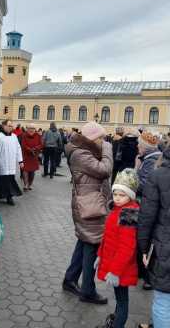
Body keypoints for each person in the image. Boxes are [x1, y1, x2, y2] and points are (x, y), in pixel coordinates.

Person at [63, 121, 113, 305]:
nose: (104, 141)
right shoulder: (80, 154)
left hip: (90, 203)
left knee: (84, 241)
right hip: (89, 205)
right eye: (102, 138)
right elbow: (105, 170)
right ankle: (88, 291)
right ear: (93, 138)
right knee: (92, 244)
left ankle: (70, 280)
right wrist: (108, 149)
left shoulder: (84, 151)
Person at [95, 169, 140, 328]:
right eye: (115, 194)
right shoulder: (116, 210)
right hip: (114, 265)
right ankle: (113, 323)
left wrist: (115, 271)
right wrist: (100, 255)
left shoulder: (128, 214)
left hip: (121, 269)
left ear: (130, 196)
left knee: (122, 302)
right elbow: (107, 237)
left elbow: (127, 248)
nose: (117, 198)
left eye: (122, 195)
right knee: (119, 299)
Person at [138, 146, 170, 328]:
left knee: (163, 302)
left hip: (164, 246)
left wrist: (143, 248)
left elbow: (146, 217)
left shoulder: (158, 175)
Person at [136, 132, 161, 290]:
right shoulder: (151, 158)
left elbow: (145, 185)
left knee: (148, 238)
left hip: (148, 205)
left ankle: (148, 276)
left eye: (139, 144)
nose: (137, 146)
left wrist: (132, 181)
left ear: (145, 147)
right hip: (150, 205)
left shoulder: (150, 160)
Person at [0, 120, 23, 206]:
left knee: (10, 179)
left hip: (11, 163)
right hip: (3, 163)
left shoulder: (14, 136)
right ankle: (8, 197)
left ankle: (6, 195)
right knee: (4, 180)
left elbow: (18, 149)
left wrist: (20, 161)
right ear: (4, 126)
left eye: (11, 126)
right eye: (9, 125)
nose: (10, 127)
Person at [21, 124, 43, 191]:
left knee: (32, 171)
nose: (31, 130)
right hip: (26, 155)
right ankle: (25, 184)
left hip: (34, 156)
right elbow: (23, 145)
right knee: (25, 170)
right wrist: (30, 150)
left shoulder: (38, 136)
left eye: (33, 128)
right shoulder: (24, 135)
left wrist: (35, 148)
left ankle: (30, 184)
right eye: (30, 128)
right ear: (27, 129)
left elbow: (41, 144)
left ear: (35, 129)